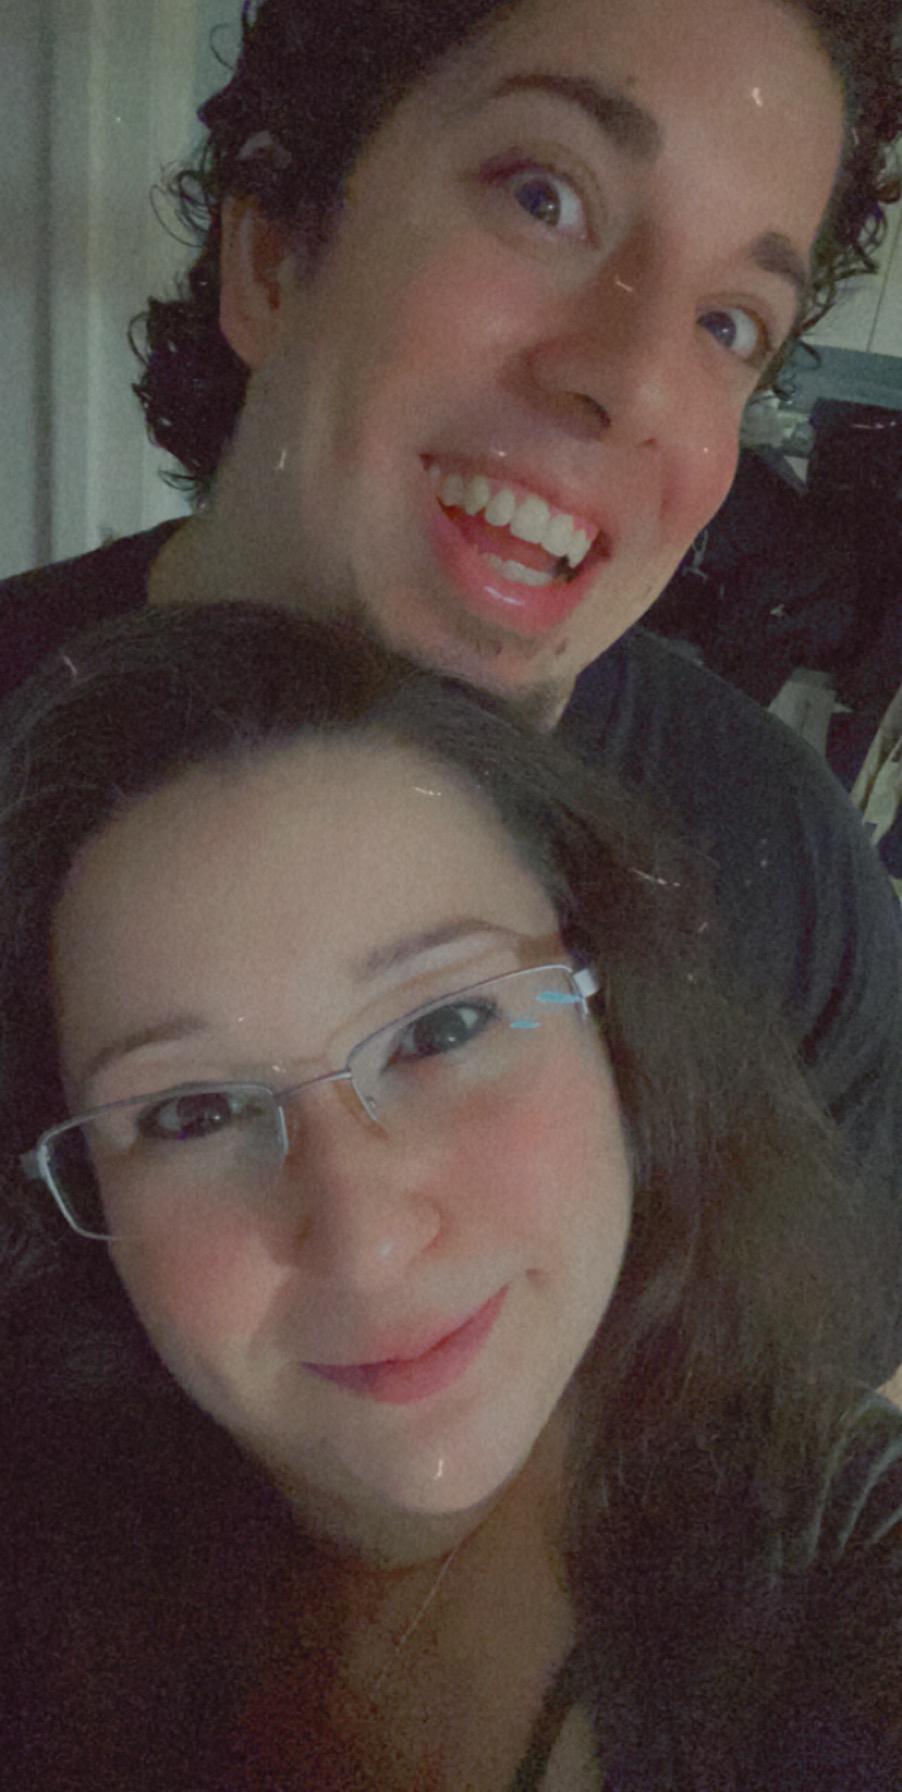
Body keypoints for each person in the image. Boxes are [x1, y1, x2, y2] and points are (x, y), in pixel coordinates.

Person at [2, 0, 901, 1381]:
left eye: (730, 323)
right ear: (273, 254)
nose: (633, 381)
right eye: (544, 198)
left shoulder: (782, 874)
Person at [1, 601, 900, 1791]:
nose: (364, 1241)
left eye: (442, 1027)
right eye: (191, 1112)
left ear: (612, 1019)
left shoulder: (842, 1562)